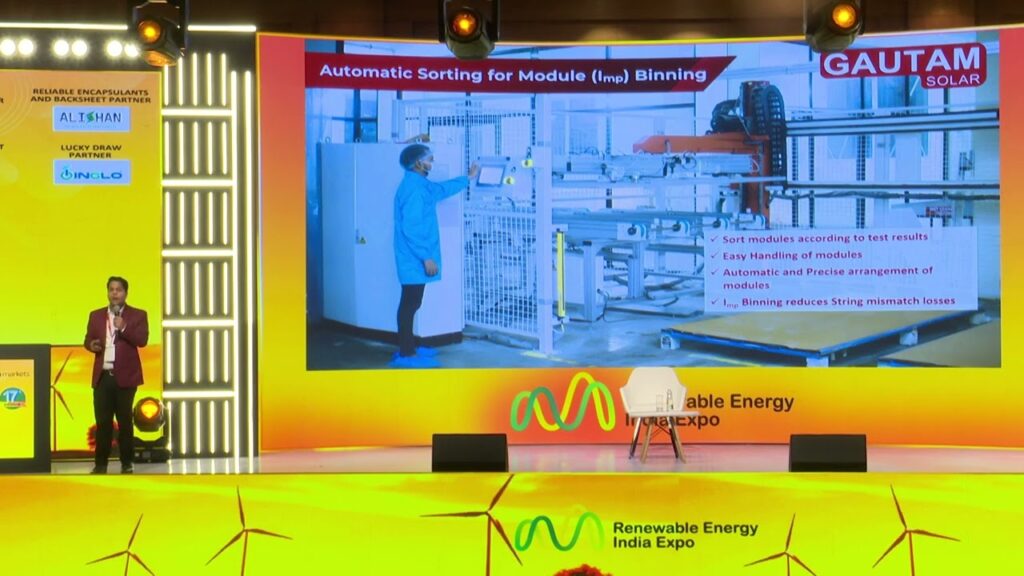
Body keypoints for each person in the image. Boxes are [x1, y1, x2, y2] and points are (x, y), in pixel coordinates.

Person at [391, 144, 478, 368]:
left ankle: (408, 346)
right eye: (429, 159)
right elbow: (411, 228)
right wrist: (426, 257)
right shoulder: (414, 190)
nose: (432, 162)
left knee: (412, 302)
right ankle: (406, 351)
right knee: (410, 303)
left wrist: (467, 178)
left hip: (414, 256)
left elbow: (441, 190)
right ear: (418, 163)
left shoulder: (419, 184)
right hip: (414, 257)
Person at [84, 276, 149, 474]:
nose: (114, 293)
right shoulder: (96, 315)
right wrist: (91, 345)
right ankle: (100, 464)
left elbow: (142, 340)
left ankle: (127, 463)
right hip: (103, 377)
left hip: (125, 377)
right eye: (111, 289)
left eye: (118, 290)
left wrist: (124, 327)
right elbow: (87, 339)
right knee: (103, 423)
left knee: (125, 422)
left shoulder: (138, 315)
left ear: (125, 293)